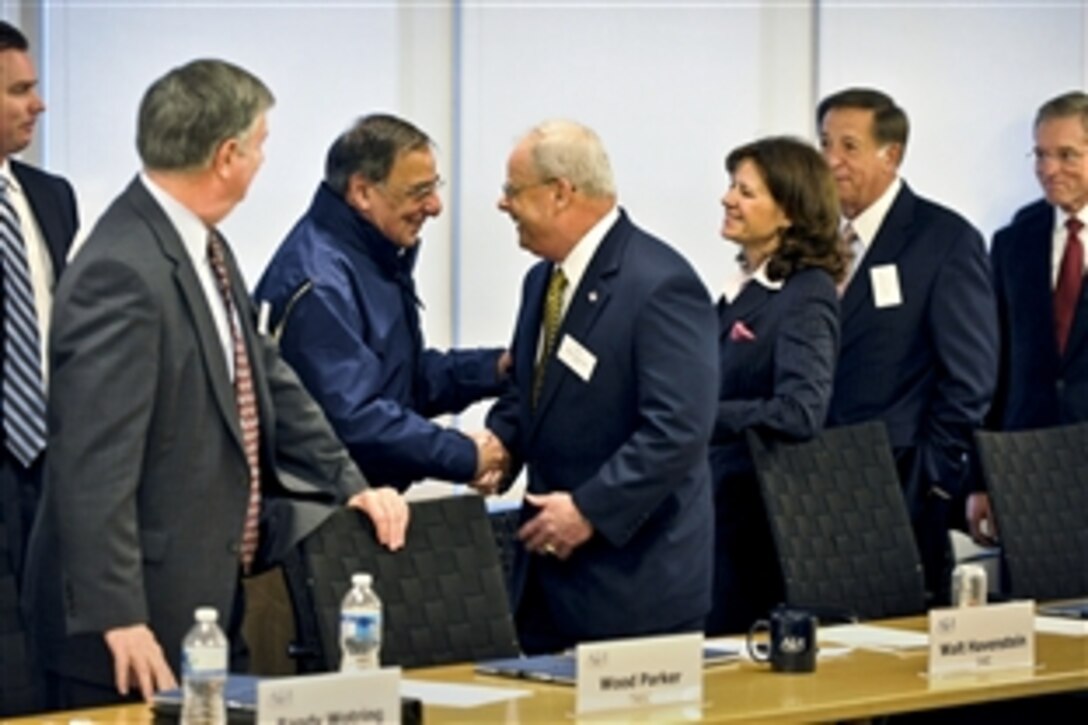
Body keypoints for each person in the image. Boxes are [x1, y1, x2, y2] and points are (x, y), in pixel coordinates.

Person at [22, 59, 408, 710]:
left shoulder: (205, 245)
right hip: (126, 626)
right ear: (227, 155)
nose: (261, 161)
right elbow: (93, 461)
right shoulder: (121, 266)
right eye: (259, 146)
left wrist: (351, 485)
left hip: (204, 596)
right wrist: (119, 615)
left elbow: (268, 378)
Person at [479, 120, 718, 654]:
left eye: (512, 191)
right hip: (547, 582)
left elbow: (678, 429)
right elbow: (532, 391)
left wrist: (590, 509)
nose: (502, 204)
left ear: (561, 192)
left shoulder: (660, 284)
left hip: (636, 586)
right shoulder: (542, 280)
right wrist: (497, 445)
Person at [255, 114, 508, 492]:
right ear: (361, 193)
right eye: (419, 192)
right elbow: (355, 420)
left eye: (434, 188)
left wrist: (495, 368)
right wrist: (464, 455)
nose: (436, 206)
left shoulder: (370, 258)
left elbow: (398, 381)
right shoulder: (320, 282)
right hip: (324, 524)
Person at [818, 88, 998, 604]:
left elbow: (970, 377)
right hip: (808, 483)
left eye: (849, 146)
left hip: (902, 485)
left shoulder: (944, 240)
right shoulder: (811, 239)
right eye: (826, 142)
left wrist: (935, 477)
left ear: (891, 155)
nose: (832, 159)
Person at [707, 137, 843, 634]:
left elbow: (801, 411)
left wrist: (703, 416)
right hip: (717, 508)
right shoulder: (743, 284)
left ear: (788, 212)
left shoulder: (806, 294)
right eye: (731, 187)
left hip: (755, 523)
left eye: (745, 192)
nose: (728, 199)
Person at [0, 21, 79, 717]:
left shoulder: (51, 197)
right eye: (21, 90)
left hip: (51, 464)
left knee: (49, 650)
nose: (40, 103)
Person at [978, 91, 1088, 543]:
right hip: (1026, 468)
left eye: (1067, 155)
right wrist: (982, 479)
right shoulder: (1013, 242)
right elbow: (992, 370)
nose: (1049, 169)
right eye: (1040, 155)